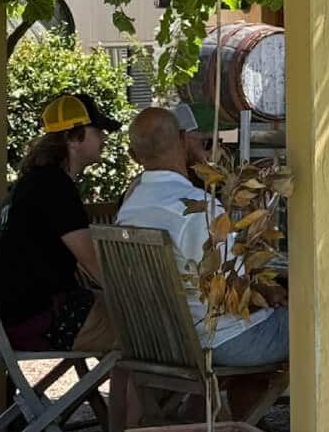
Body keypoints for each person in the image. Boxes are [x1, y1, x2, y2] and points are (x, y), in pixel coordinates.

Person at [116, 107, 289, 367]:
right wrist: (269, 291)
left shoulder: (130, 208)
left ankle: (223, 408)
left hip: (163, 340)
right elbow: (231, 296)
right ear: (183, 140)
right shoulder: (196, 208)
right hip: (222, 340)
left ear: (134, 155)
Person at [0, 93, 121, 355]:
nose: (105, 138)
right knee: (153, 333)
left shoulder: (35, 181)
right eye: (98, 131)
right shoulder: (54, 187)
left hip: (16, 317)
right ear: (74, 138)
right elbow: (93, 263)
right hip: (41, 319)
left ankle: (110, 399)